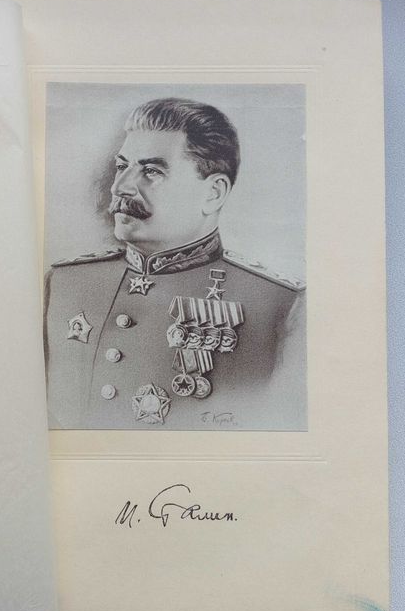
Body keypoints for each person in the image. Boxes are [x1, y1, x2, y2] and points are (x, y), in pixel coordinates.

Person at [43, 97, 306, 431]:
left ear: (213, 193)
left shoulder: (279, 305)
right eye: (122, 167)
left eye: (152, 171)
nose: (120, 187)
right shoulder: (64, 284)